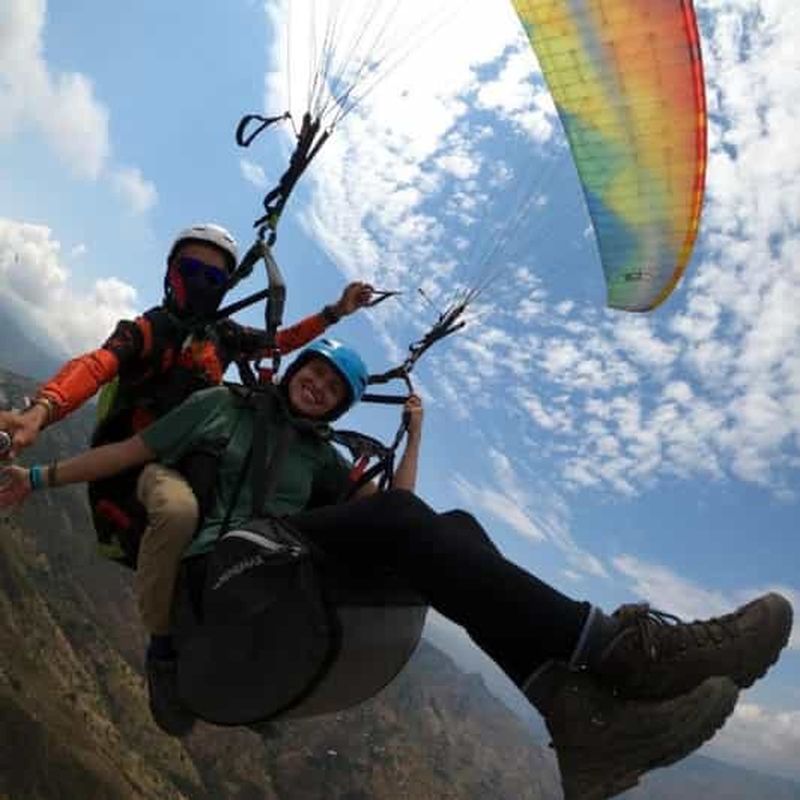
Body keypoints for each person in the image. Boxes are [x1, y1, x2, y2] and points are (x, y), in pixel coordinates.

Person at [0, 339, 793, 800]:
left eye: (334, 390)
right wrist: (36, 480)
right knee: (410, 522)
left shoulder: (320, 460)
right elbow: (134, 454)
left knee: (456, 526)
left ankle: (579, 720)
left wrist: (414, 436)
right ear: (292, 371)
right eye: (312, 374)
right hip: (224, 565)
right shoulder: (220, 409)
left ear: (339, 409)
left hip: (281, 557)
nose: (317, 388)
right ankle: (619, 654)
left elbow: (405, 528)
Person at [0, 223, 374, 566]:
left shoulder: (223, 336)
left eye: (211, 277)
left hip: (186, 465)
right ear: (171, 273)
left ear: (224, 287)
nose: (199, 283)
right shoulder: (149, 329)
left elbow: (278, 342)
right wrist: (43, 409)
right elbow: (98, 364)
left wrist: (336, 312)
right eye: (190, 270)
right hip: (130, 468)